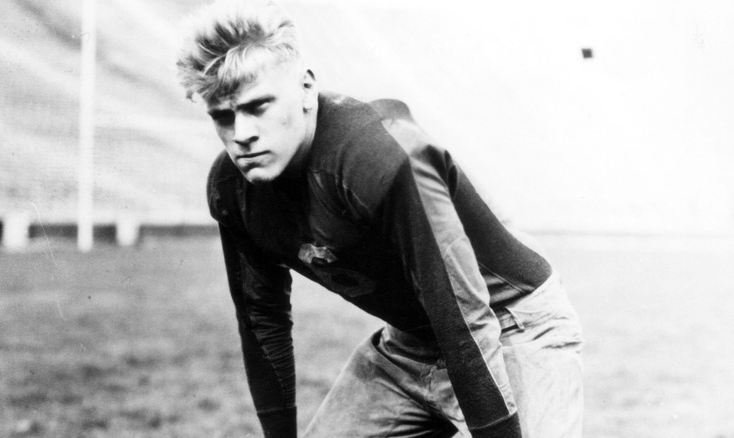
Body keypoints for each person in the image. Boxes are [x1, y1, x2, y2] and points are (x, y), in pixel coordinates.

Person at [176, 1, 583, 437]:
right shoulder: (232, 190)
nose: (241, 134)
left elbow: (465, 315)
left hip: (512, 326)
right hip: (411, 344)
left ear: (307, 88)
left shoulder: (380, 156)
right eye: (222, 116)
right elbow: (262, 321)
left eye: (258, 107)